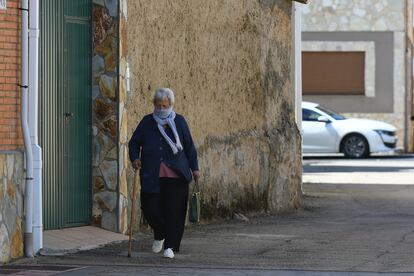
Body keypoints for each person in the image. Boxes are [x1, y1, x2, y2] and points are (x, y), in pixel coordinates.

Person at [128, 88, 201, 259]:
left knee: (174, 212)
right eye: (158, 105)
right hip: (151, 175)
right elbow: (134, 143)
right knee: (149, 208)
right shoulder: (147, 122)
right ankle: (160, 233)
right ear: (154, 105)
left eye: (165, 105)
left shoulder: (179, 121)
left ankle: (170, 246)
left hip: (177, 176)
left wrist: (195, 168)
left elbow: (189, 147)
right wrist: (135, 158)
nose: (161, 109)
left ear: (171, 105)